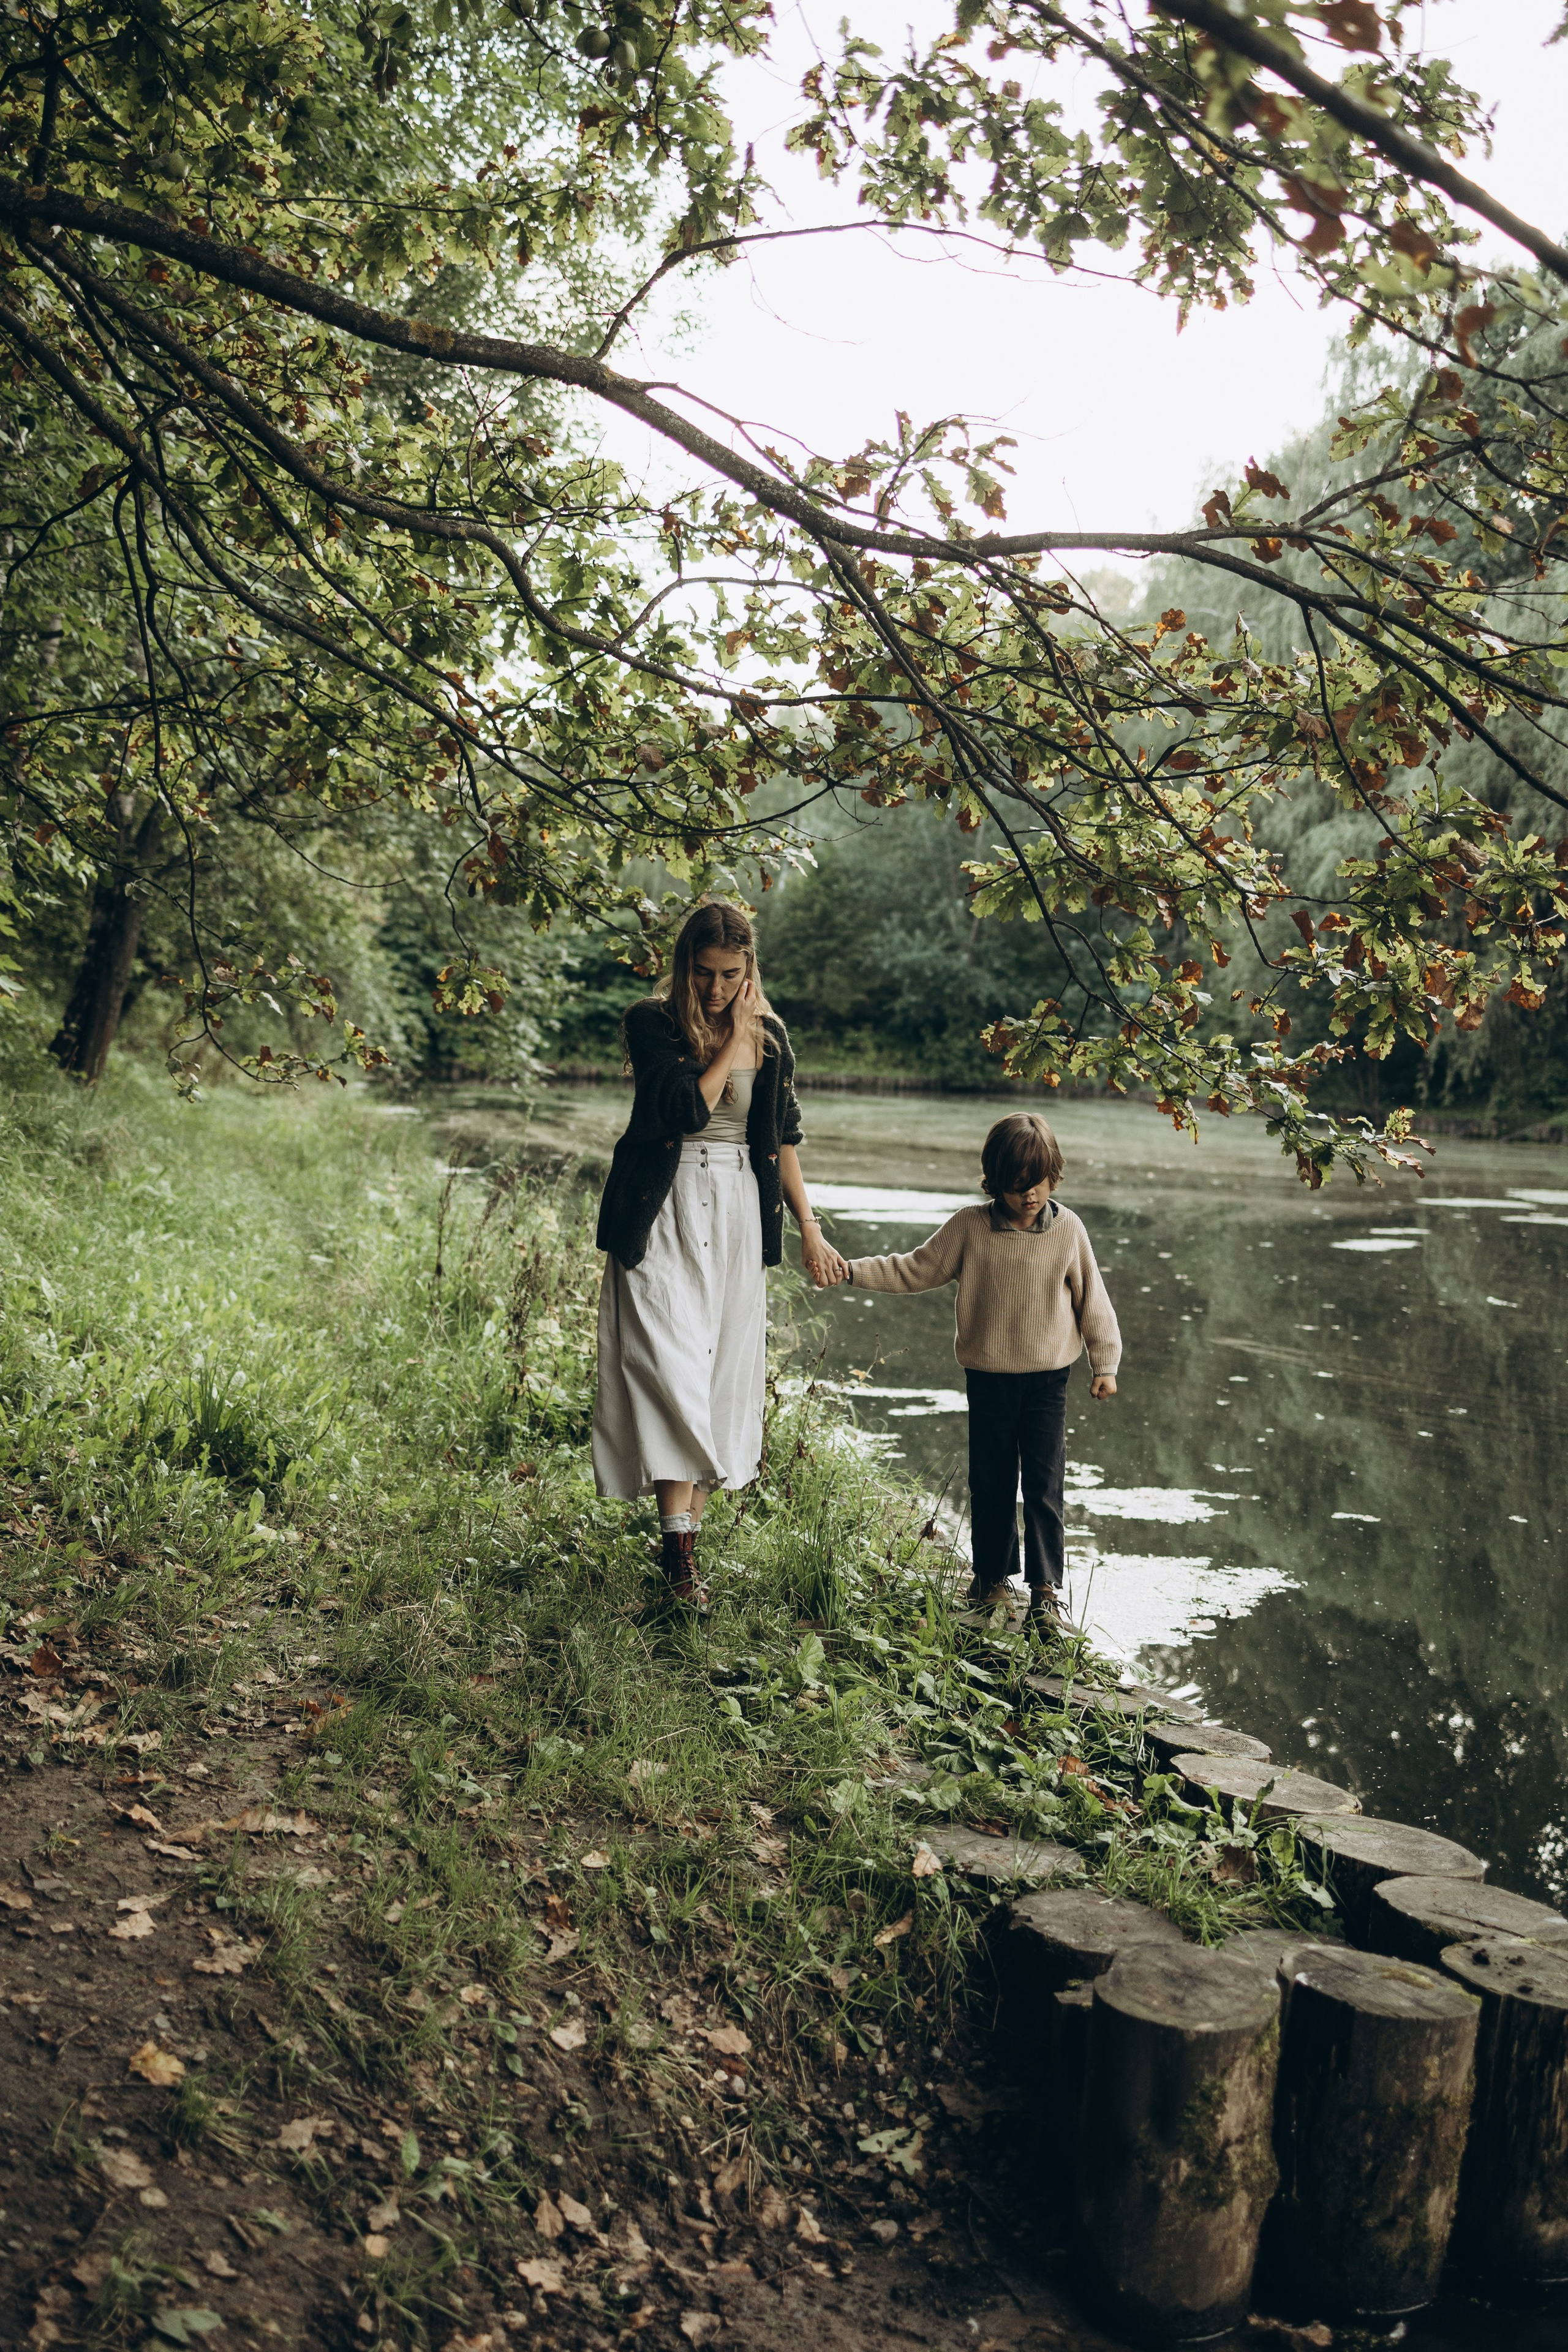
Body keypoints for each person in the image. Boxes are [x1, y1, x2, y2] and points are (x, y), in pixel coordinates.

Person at [592, 899, 846, 1602]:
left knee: (719, 1376)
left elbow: (782, 1139)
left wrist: (811, 1226)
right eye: (704, 973)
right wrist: (733, 1042)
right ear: (684, 966)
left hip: (737, 1208)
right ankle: (679, 1558)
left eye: (731, 975)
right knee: (670, 1367)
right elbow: (682, 1112)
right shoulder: (653, 1021)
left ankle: (680, 1554)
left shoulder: (772, 1035)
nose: (715, 988)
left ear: (749, 967)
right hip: (663, 1207)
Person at [822, 1112, 1120, 1624]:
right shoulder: (970, 1227)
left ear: (1055, 1174)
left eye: (1040, 1182)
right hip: (988, 1377)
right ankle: (991, 1579)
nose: (1030, 1195)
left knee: (1045, 1483)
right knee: (993, 1478)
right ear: (995, 1181)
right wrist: (850, 1271)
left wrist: (1105, 1362)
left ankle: (1046, 1589)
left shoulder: (1068, 1229)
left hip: (1049, 1379)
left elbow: (1094, 1298)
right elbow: (914, 1268)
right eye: (1017, 1185)